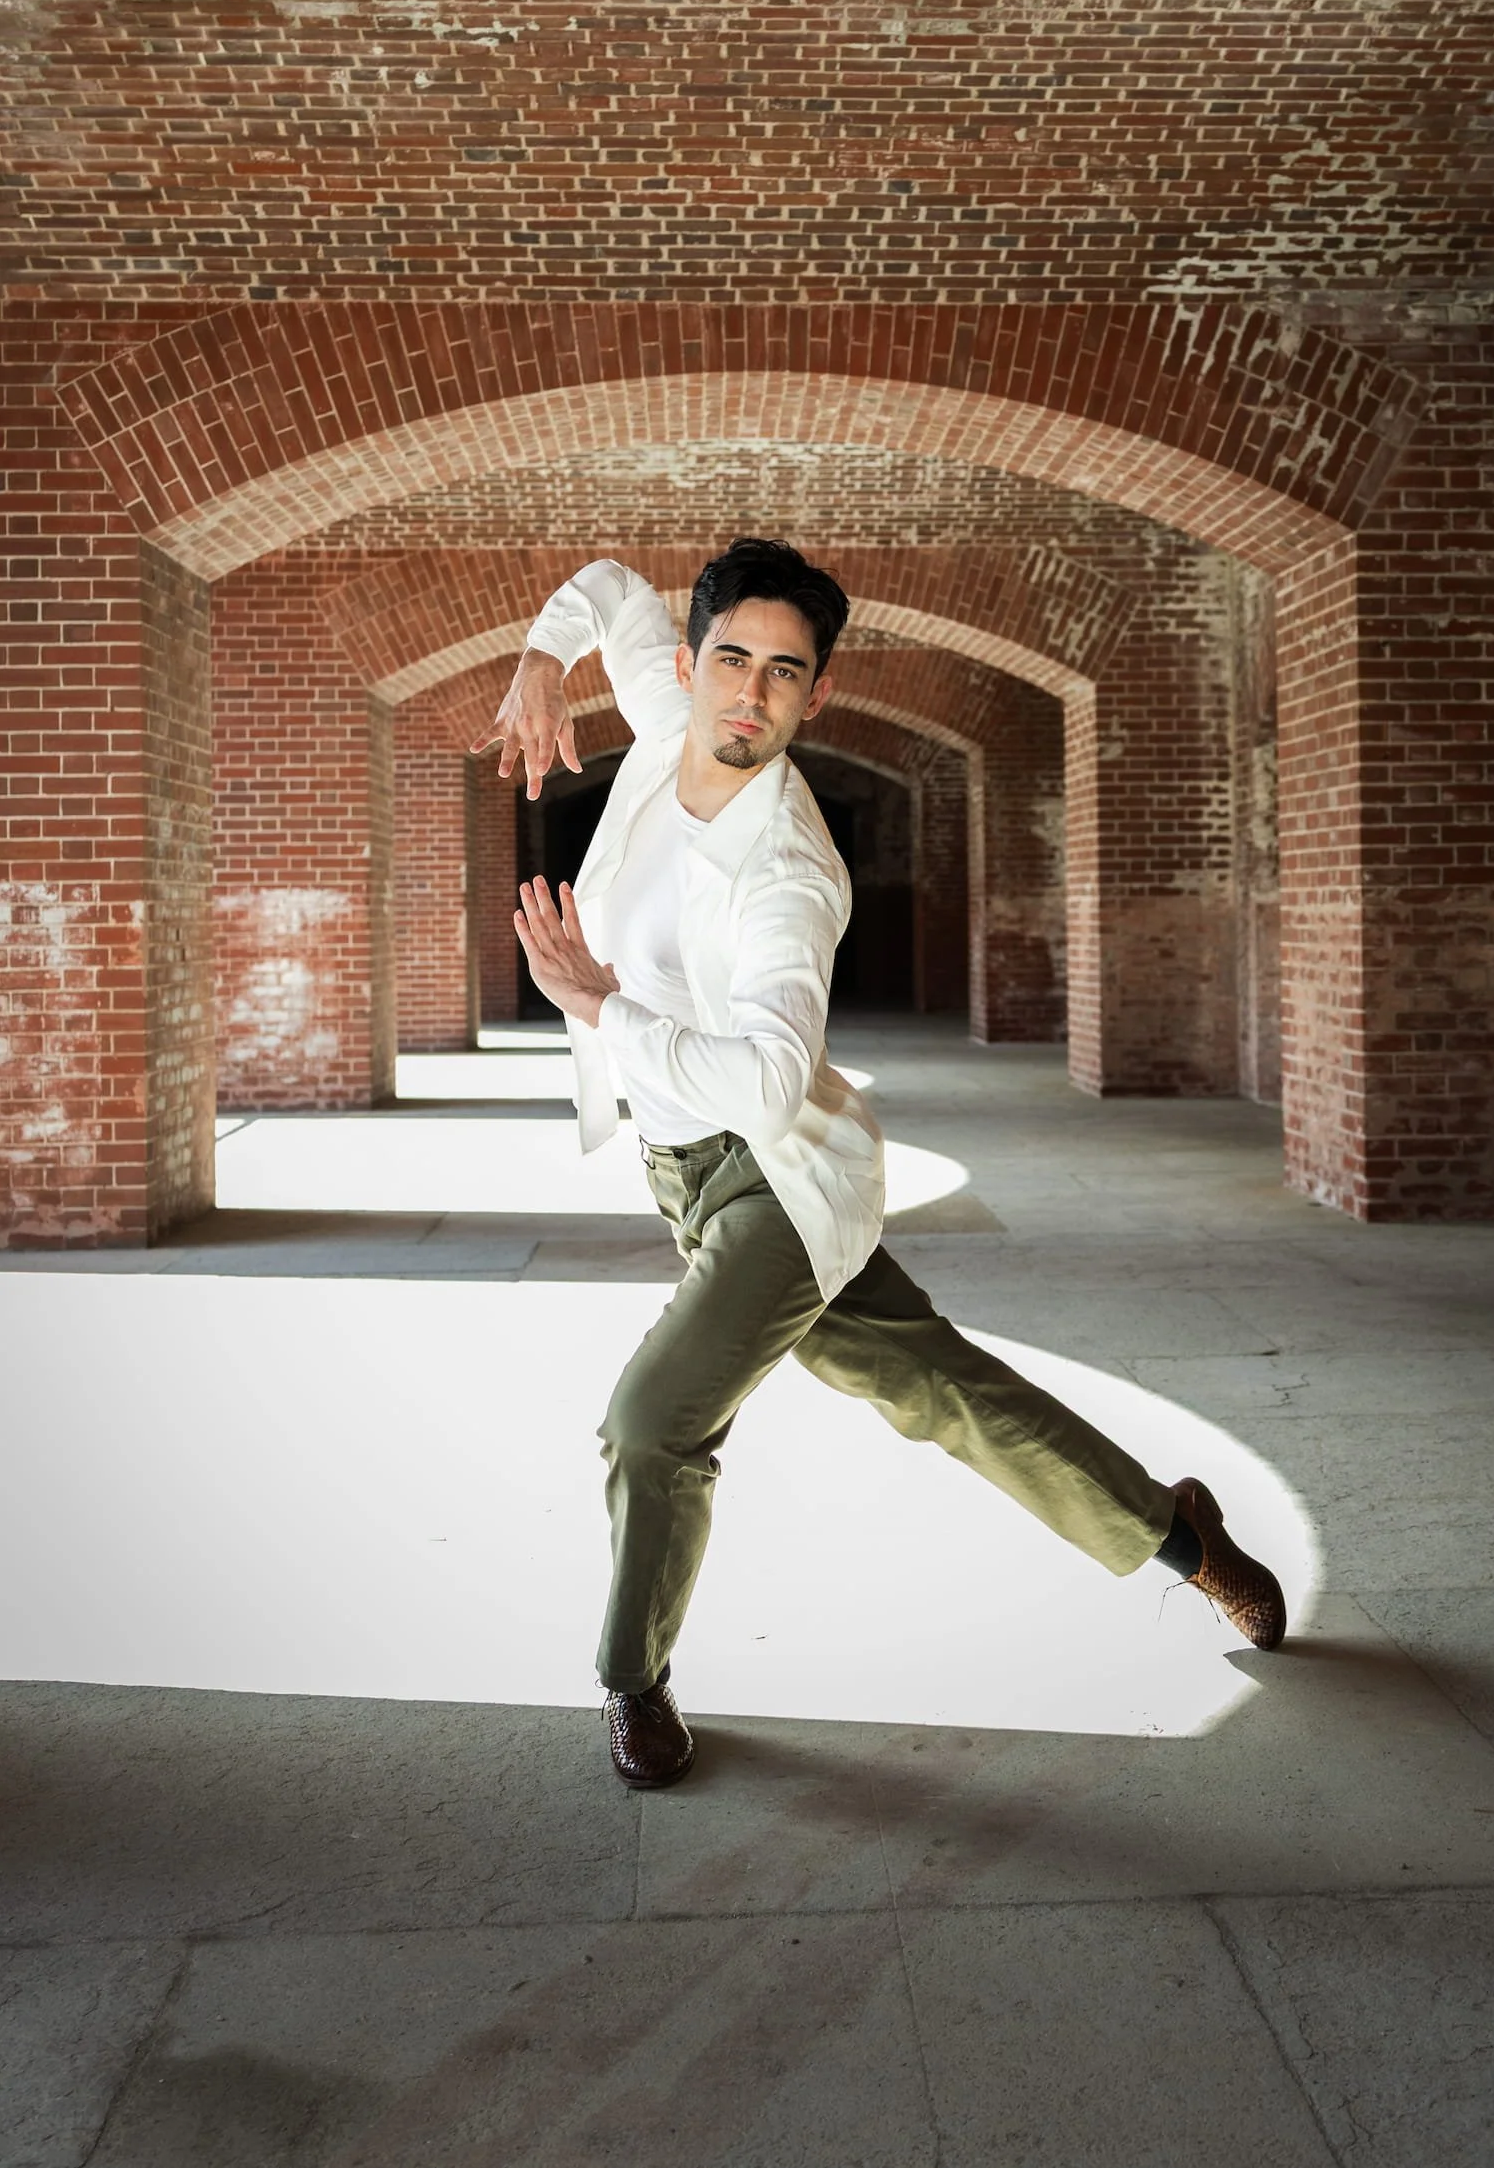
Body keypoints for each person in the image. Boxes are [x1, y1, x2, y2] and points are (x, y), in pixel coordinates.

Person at [471, 542, 1286, 1790]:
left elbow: (766, 1082)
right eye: (732, 658)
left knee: (652, 1422)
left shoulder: (790, 868)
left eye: (785, 672)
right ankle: (1180, 1532)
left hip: (778, 1183)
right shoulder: (666, 720)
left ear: (818, 693)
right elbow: (611, 586)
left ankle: (632, 1678)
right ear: (688, 665)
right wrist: (541, 657)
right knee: (942, 1389)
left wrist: (596, 1004)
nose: (751, 692)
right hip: (682, 1167)